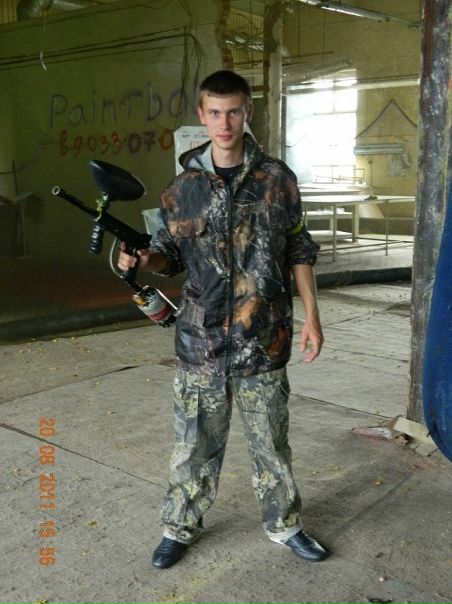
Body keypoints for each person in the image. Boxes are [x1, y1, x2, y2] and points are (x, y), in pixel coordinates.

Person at [117, 70, 327, 569]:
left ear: (247, 113)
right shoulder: (181, 190)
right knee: (193, 446)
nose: (225, 123)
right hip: (201, 343)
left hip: (264, 338)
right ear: (202, 116)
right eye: (215, 112)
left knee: (272, 443)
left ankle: (285, 524)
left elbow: (299, 249)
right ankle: (179, 527)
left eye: (233, 112)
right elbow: (169, 256)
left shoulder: (277, 179)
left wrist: (313, 320)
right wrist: (144, 260)